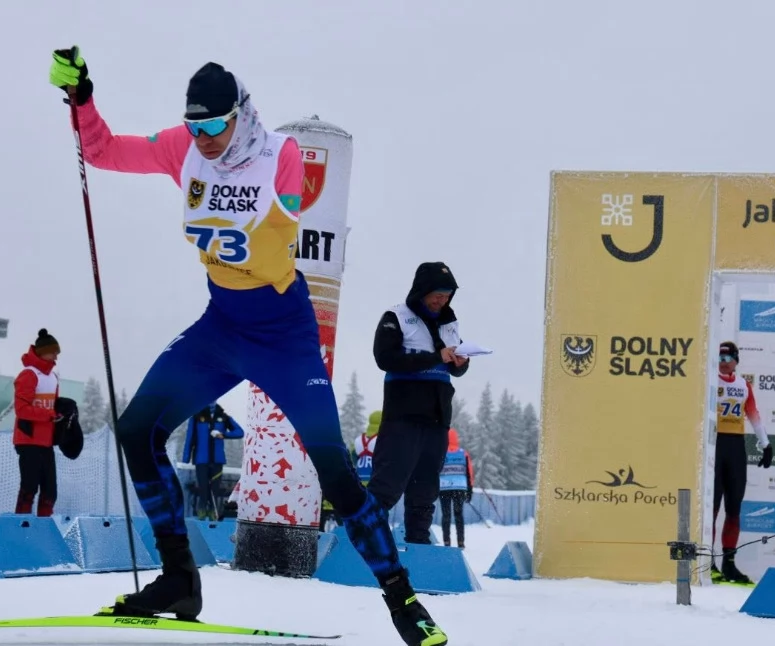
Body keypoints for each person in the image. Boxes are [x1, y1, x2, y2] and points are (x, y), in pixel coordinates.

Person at [47, 47, 447, 646]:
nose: (204, 138)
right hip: (222, 325)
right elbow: (102, 151)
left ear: (241, 114)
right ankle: (179, 577)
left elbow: (285, 210)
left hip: (283, 335)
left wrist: (238, 203)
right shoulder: (181, 147)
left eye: (215, 125)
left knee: (334, 470)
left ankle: (402, 599)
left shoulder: (280, 157)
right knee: (138, 430)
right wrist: (82, 100)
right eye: (195, 125)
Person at [368, 262, 470, 545]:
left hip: (437, 418)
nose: (442, 300)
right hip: (403, 414)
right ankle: (367, 541)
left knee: (425, 489)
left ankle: (418, 543)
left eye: (448, 294)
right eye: (437, 293)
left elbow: (455, 367)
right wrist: (438, 357)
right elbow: (385, 359)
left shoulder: (450, 323)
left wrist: (461, 362)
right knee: (387, 484)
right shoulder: (396, 317)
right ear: (422, 290)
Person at [711, 341, 772, 585]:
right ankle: (708, 563)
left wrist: (766, 445)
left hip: (736, 447)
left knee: (734, 508)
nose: (723, 363)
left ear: (736, 360)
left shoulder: (743, 385)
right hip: (714, 444)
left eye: (728, 359)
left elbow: (754, 416)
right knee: (712, 509)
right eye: (720, 359)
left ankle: (729, 564)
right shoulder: (710, 380)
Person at [13, 329, 63, 517]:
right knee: (29, 487)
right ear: (42, 352)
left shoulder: (53, 376)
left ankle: (43, 526)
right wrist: (49, 415)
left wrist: (63, 413)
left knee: (50, 491)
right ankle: (21, 525)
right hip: (28, 440)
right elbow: (21, 409)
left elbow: (54, 406)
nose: (56, 355)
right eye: (53, 351)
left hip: (46, 441)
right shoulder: (29, 374)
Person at [183, 403, 245, 521]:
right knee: (203, 487)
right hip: (201, 459)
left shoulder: (223, 417)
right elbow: (189, 437)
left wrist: (224, 434)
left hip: (217, 459)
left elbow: (240, 432)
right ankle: (201, 511)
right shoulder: (196, 417)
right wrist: (186, 458)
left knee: (214, 489)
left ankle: (213, 512)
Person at [438, 427, 473, 548]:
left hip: (444, 488)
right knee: (459, 515)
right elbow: (469, 473)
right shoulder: (463, 453)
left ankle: (446, 541)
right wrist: (470, 490)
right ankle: (461, 542)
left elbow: (436, 470)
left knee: (446, 515)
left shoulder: (441, 452)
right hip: (460, 488)